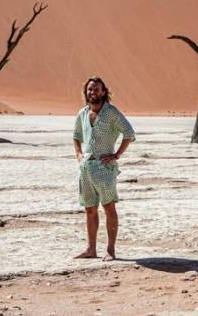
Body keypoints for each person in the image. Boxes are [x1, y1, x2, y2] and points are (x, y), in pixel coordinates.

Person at [72, 76, 135, 261]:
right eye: (90, 89)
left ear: (104, 92)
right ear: (86, 92)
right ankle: (91, 249)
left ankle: (111, 250)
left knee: (109, 208)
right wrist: (78, 154)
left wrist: (116, 155)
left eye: (97, 89)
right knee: (90, 209)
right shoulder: (82, 113)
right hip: (86, 169)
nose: (93, 92)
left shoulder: (111, 113)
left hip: (104, 169)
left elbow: (129, 134)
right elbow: (76, 136)